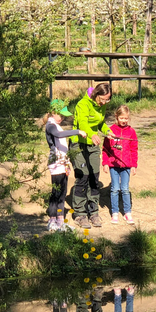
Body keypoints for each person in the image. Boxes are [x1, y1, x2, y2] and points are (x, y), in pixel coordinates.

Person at [69, 83, 114, 229]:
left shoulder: (102, 105)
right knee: (83, 177)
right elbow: (83, 124)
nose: (105, 102)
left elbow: (101, 123)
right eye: (104, 99)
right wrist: (92, 135)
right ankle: (80, 213)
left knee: (94, 177)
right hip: (79, 143)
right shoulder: (83, 104)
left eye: (108, 100)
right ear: (97, 94)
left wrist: (107, 131)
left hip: (93, 145)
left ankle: (93, 211)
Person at [44, 99, 87, 231]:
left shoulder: (56, 124)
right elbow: (59, 134)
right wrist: (77, 131)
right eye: (60, 115)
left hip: (63, 163)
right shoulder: (50, 125)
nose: (62, 118)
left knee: (62, 193)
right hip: (56, 163)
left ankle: (60, 221)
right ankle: (52, 221)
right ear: (53, 112)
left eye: (63, 116)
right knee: (56, 193)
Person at [102, 105, 138, 225]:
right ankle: (115, 212)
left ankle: (127, 212)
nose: (124, 121)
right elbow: (105, 148)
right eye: (122, 118)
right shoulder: (110, 130)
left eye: (126, 118)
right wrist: (105, 163)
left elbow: (134, 149)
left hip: (126, 165)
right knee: (115, 189)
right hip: (113, 165)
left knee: (125, 189)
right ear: (116, 117)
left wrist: (133, 165)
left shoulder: (131, 132)